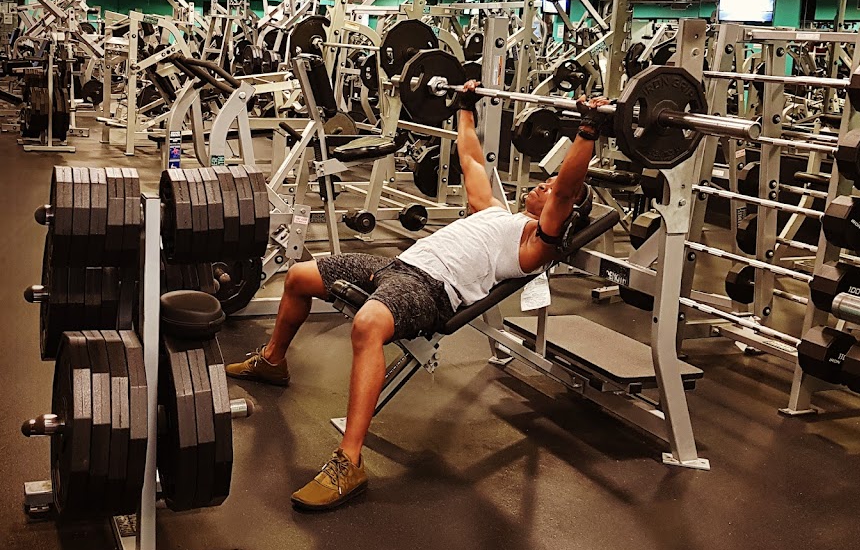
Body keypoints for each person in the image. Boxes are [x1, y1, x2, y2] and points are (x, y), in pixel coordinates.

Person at [226, 81, 610, 512]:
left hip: (430, 290)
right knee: (299, 275)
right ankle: (273, 361)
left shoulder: (535, 245)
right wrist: (465, 107)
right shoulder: (492, 212)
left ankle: (349, 462)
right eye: (546, 181)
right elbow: (471, 159)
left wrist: (587, 132)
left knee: (368, 324)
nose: (543, 185)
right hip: (396, 266)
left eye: (551, 187)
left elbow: (566, 191)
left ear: (565, 212)